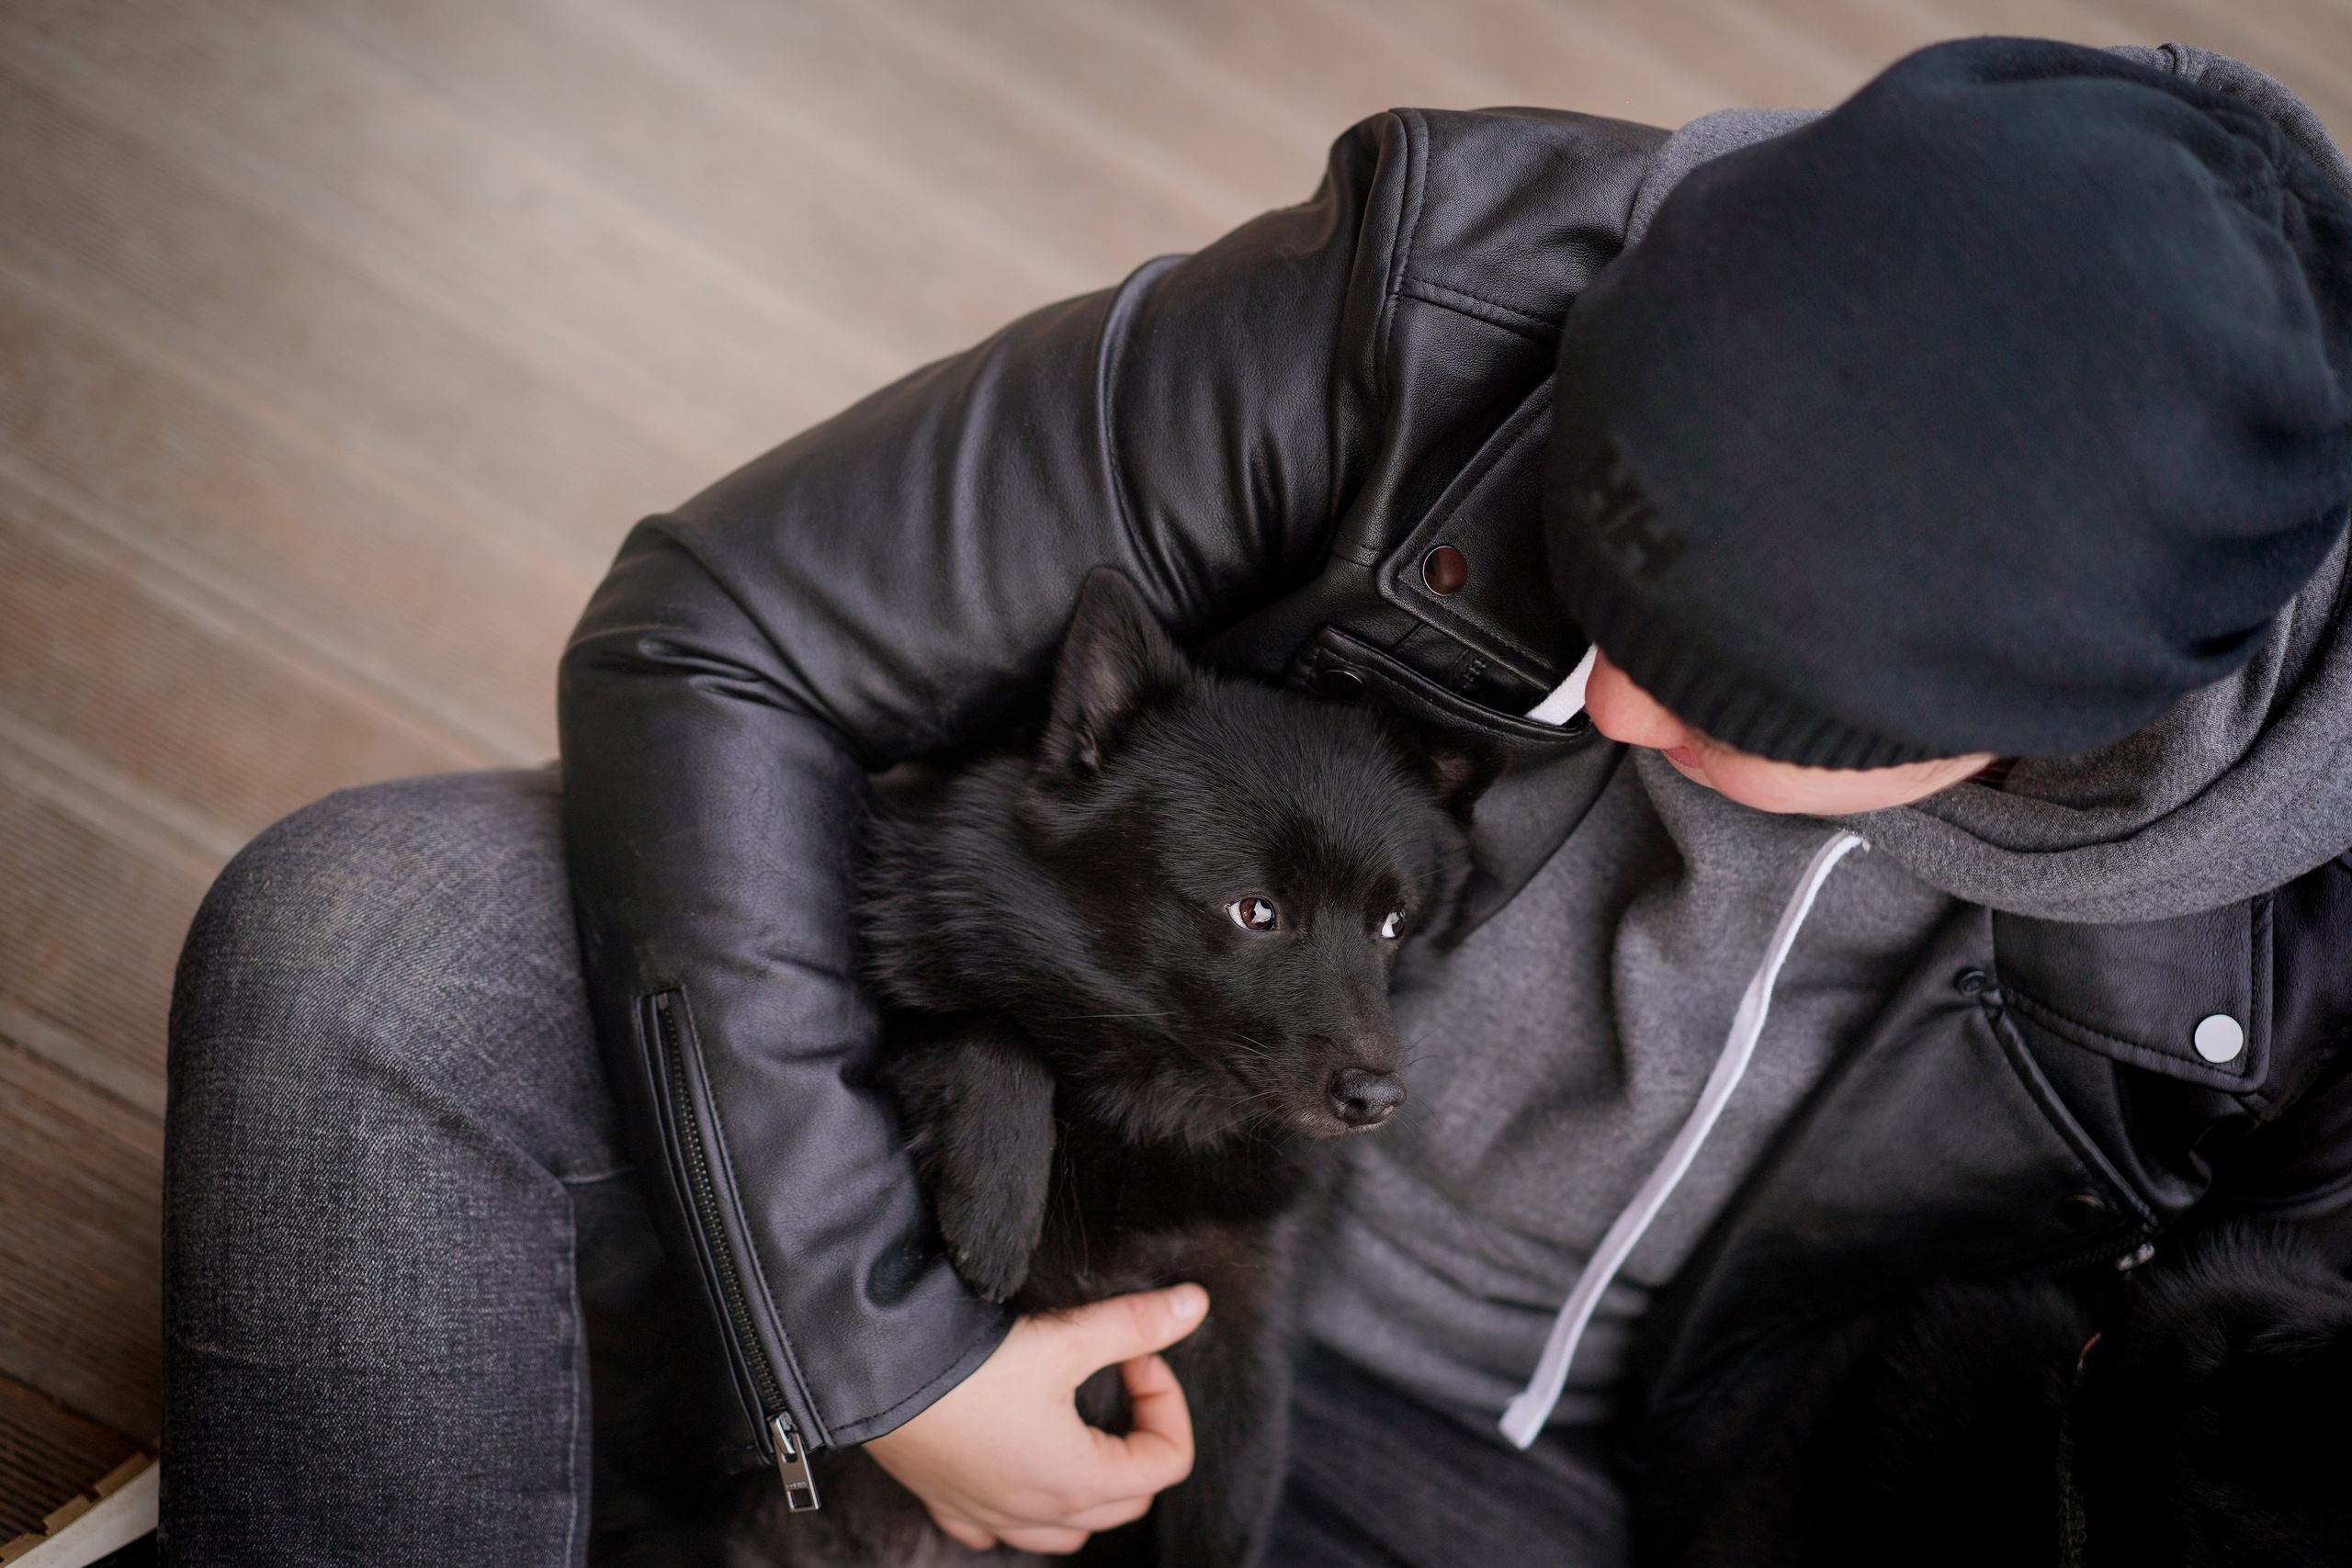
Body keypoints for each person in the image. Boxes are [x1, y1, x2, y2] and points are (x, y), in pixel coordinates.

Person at [162, 36, 2352, 1567]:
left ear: (2055, 719)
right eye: (1600, 578)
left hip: (1544, 1492)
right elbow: (729, 620)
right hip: (988, 1127)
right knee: (369, 951)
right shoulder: (1447, 288)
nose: (1594, 698)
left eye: (1723, 698)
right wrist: (860, 1335)